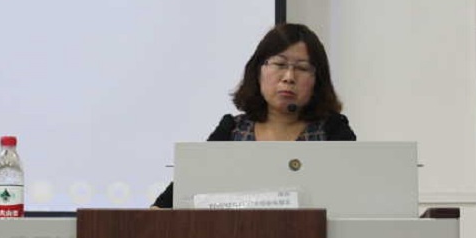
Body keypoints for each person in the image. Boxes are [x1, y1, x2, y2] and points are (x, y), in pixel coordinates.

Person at [152, 22, 356, 208]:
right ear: (258, 71)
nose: (289, 77)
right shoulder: (231, 130)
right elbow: (173, 199)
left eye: (302, 68)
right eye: (279, 64)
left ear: (317, 81)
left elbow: (357, 196)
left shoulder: (333, 131)